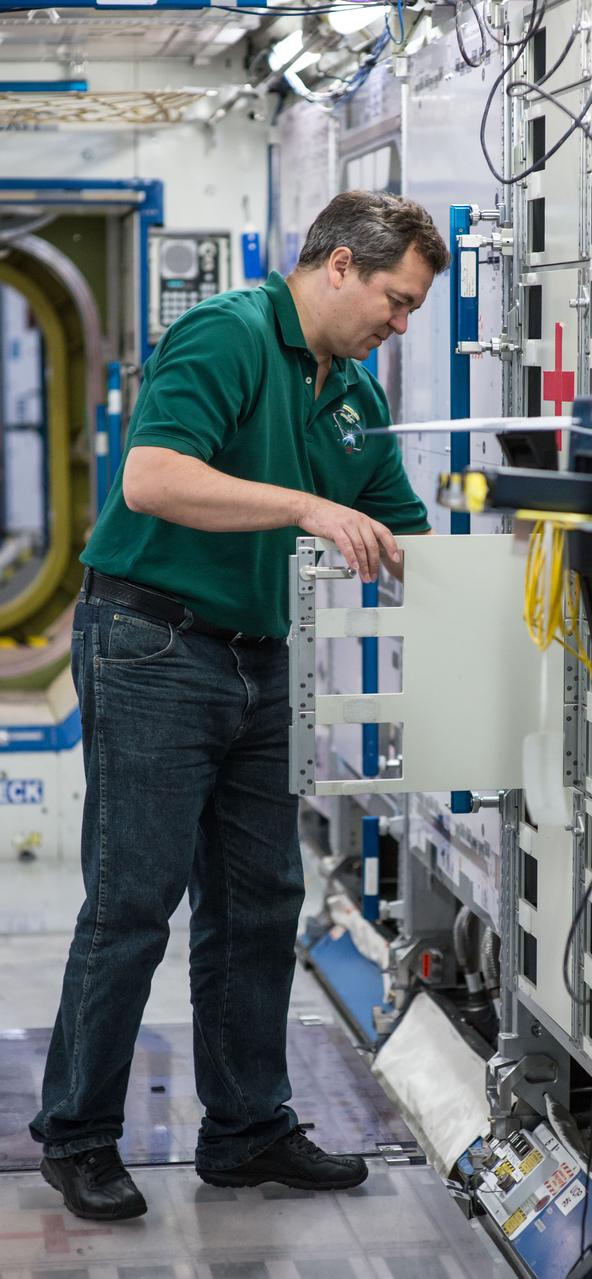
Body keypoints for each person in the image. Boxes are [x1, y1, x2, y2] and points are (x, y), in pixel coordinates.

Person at [30, 190, 450, 1221]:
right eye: (395, 302)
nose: (400, 326)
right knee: (133, 903)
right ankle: (77, 1134)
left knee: (261, 899)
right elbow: (152, 479)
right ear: (339, 266)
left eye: (412, 314)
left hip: (258, 658)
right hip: (151, 642)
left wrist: (525, 581)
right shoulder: (224, 334)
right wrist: (308, 505)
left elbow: (403, 532)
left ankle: (247, 1127)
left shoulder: (349, 393)